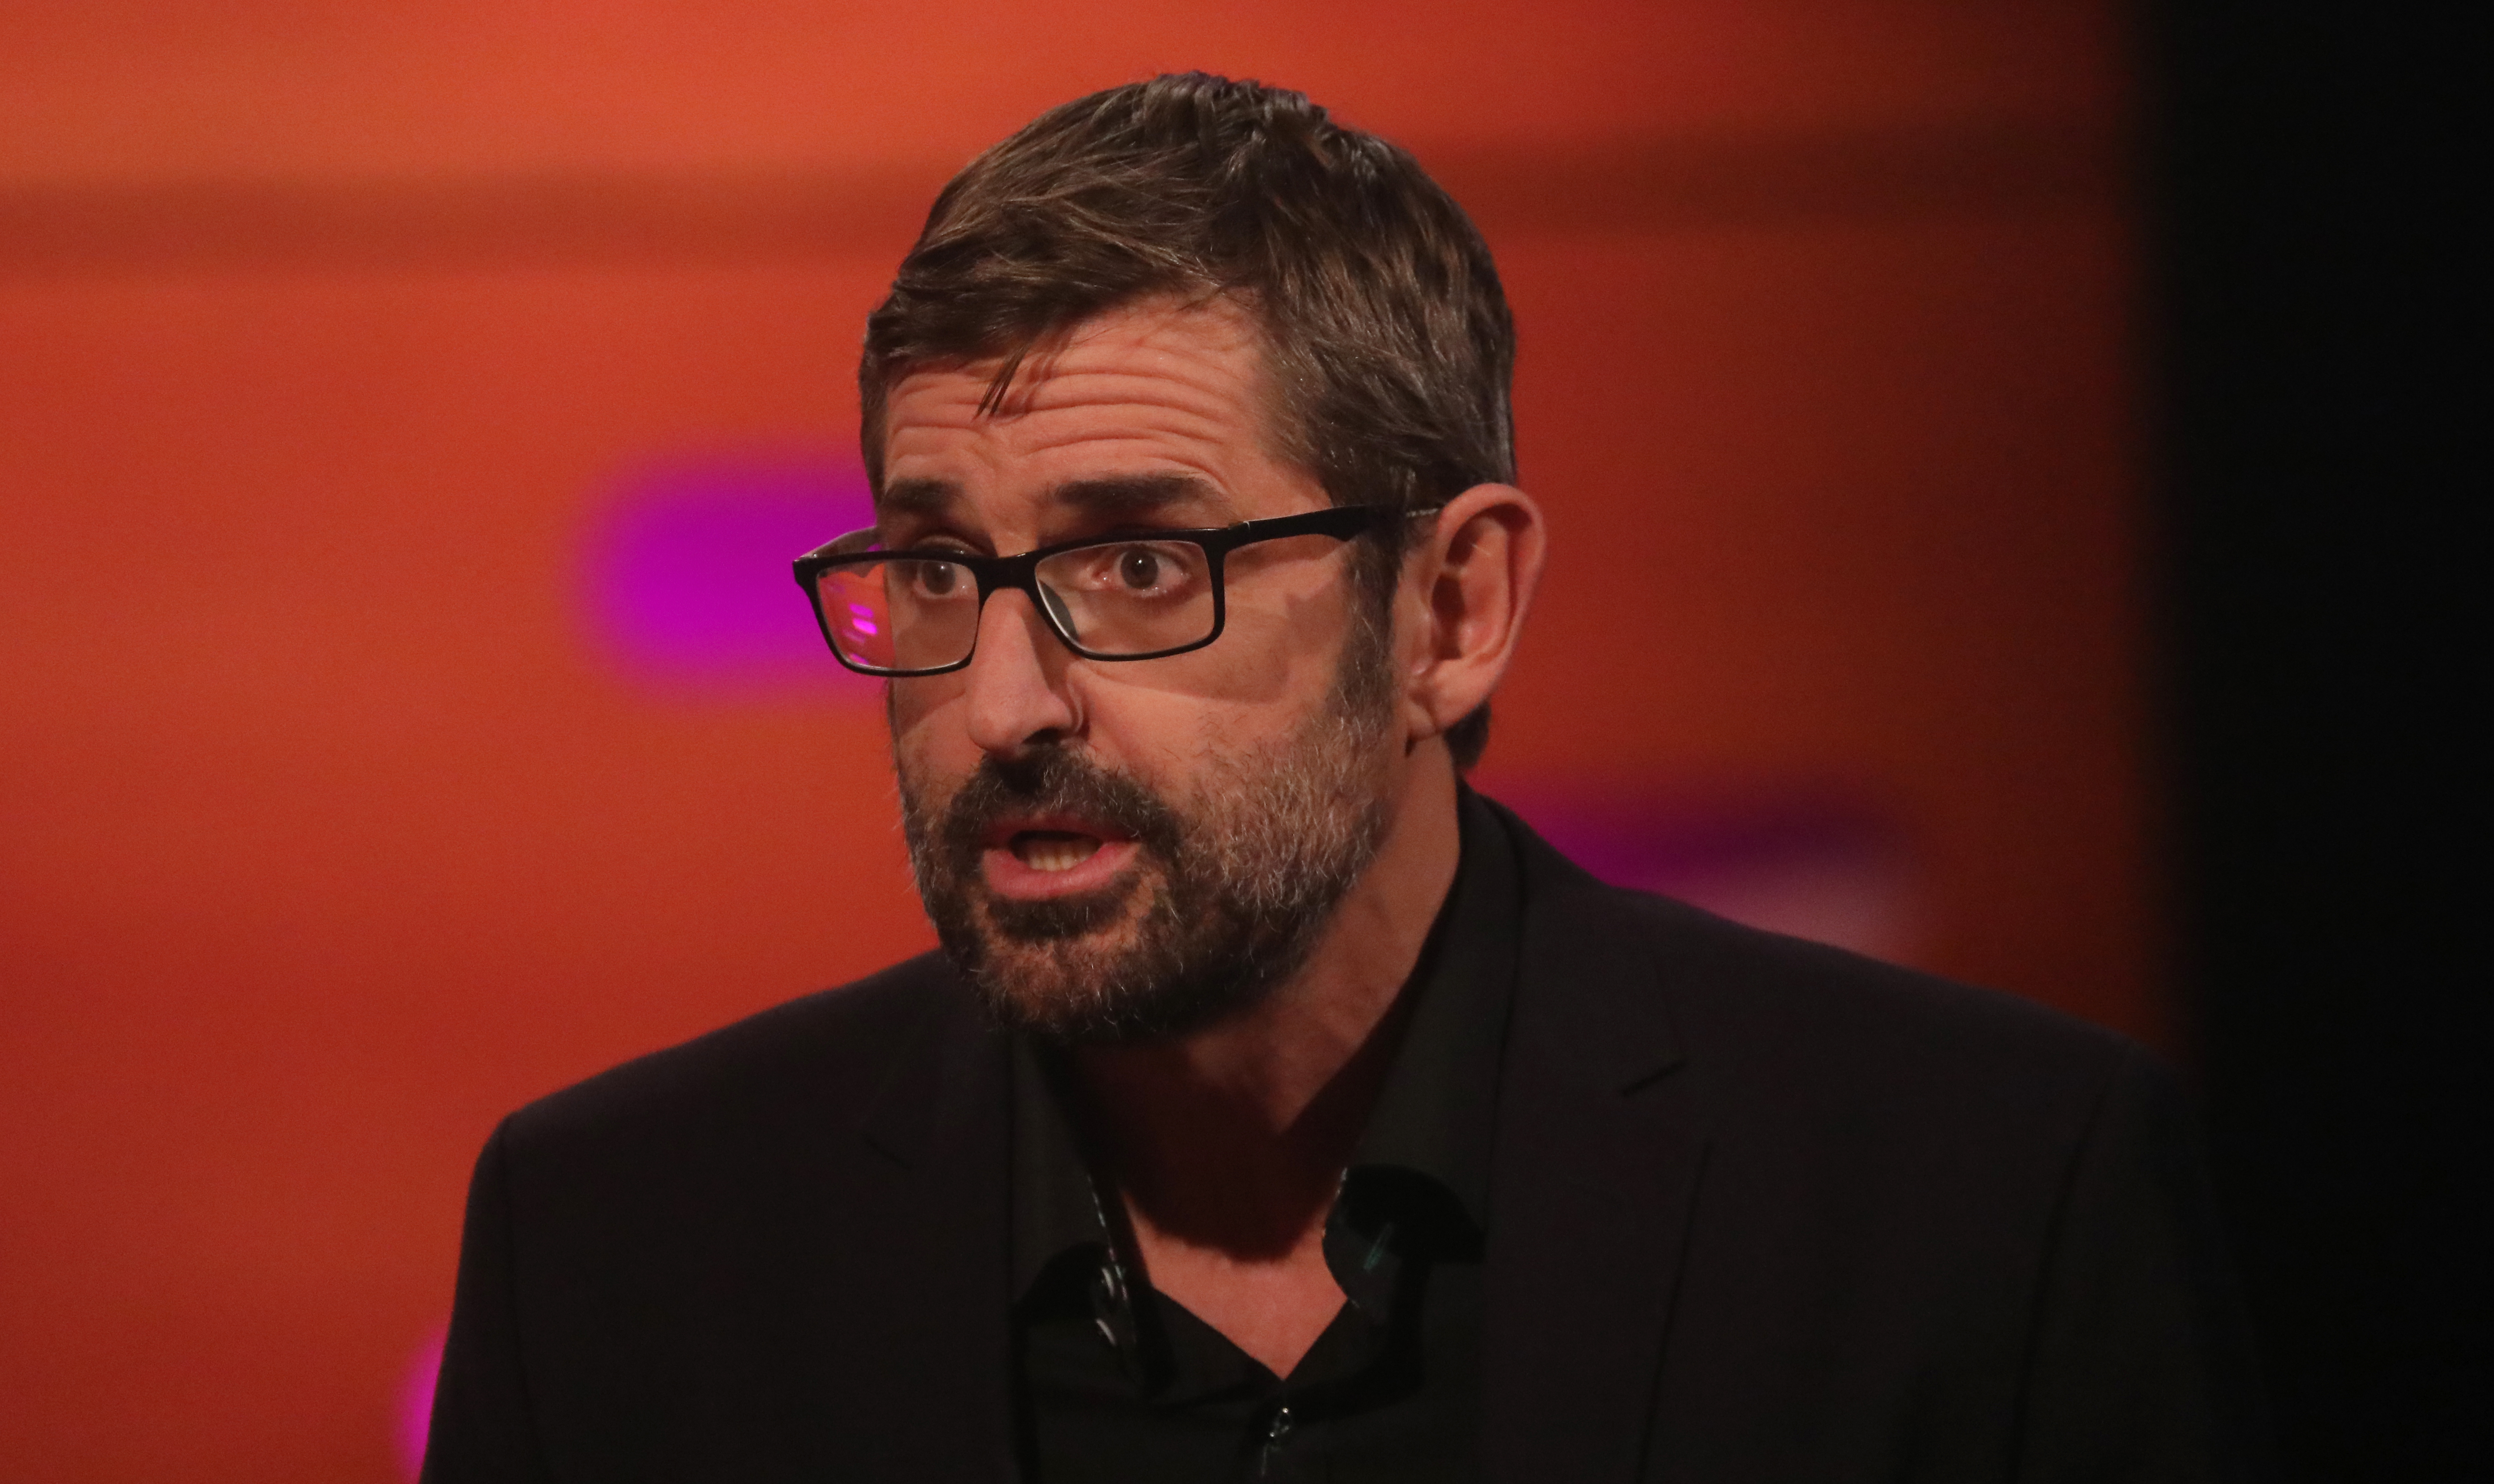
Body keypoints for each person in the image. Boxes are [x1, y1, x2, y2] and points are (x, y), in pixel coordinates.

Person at [423, 74, 2266, 1483]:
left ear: (1451, 609)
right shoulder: (620, 1252)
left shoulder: (1987, 1210)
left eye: (1140, 565)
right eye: (935, 573)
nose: (998, 709)